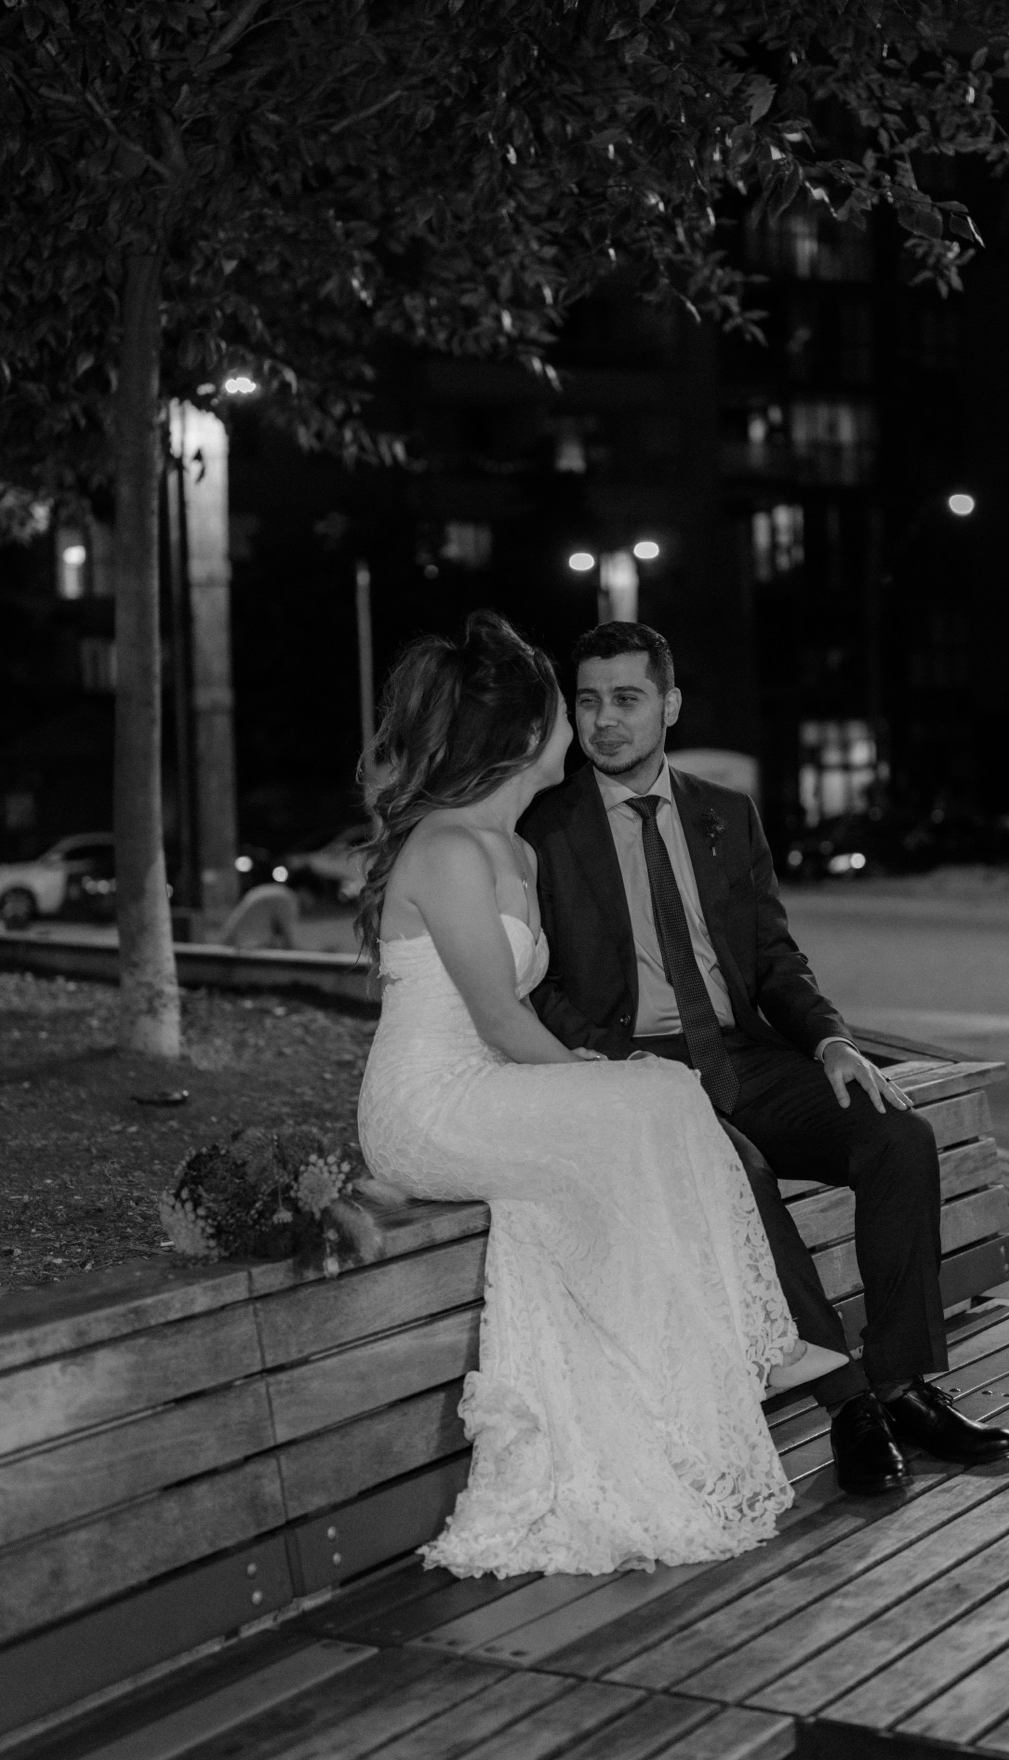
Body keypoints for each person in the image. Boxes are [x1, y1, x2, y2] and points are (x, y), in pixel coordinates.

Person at [354, 610, 850, 1581]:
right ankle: (755, 1341)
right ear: (520, 736)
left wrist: (598, 1077)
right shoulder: (450, 849)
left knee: (658, 1104)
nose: (577, 728)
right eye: (561, 710)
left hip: (492, 1086)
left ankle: (688, 1387)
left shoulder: (515, 849)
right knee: (656, 1098)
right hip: (428, 1104)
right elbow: (500, 1018)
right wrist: (595, 1077)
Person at [520, 620, 1009, 1497]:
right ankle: (848, 1404)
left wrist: (831, 1040)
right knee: (738, 1173)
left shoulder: (725, 813)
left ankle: (902, 1384)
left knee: (897, 1138)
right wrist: (620, 1065)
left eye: (627, 698)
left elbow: (773, 959)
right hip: (636, 1073)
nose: (604, 720)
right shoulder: (545, 828)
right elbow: (541, 987)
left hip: (741, 1054)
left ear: (670, 705)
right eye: (589, 701)